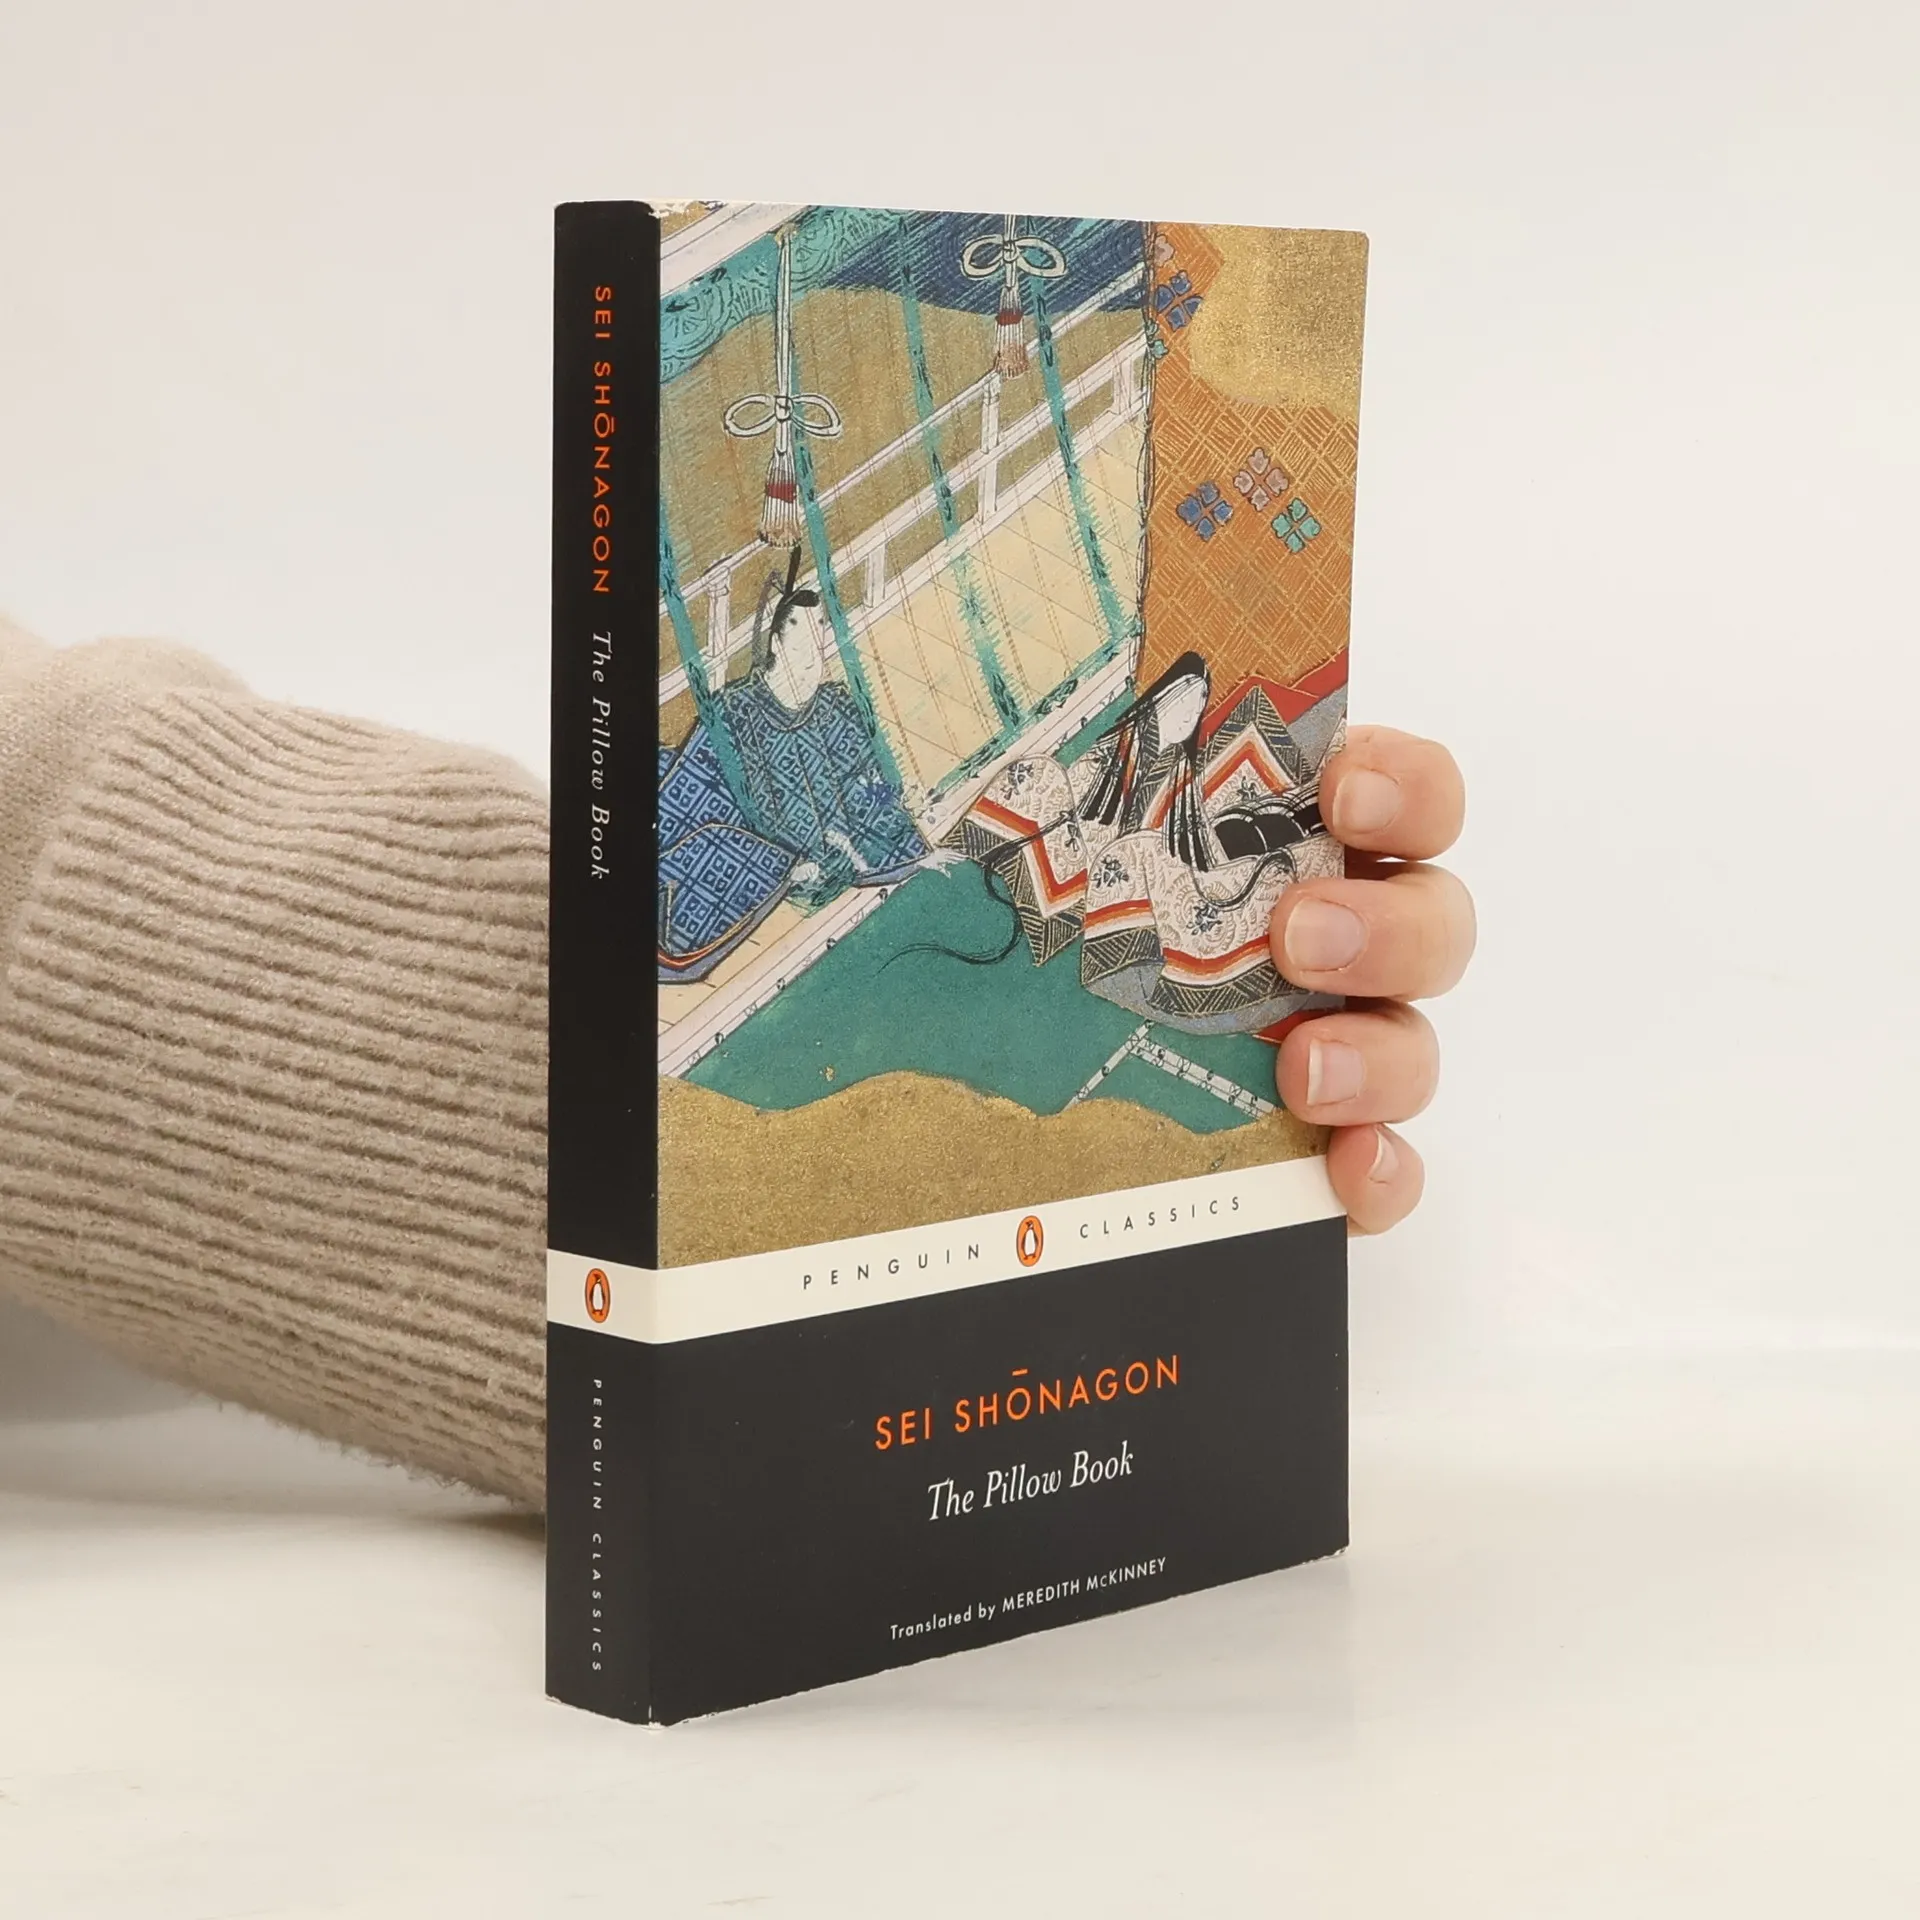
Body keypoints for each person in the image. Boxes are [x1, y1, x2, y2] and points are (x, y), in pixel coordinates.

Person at [0, 615, 1475, 1508]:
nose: (823, 655)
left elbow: (869, 827)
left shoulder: (830, 731)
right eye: (806, 641)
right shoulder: (763, 738)